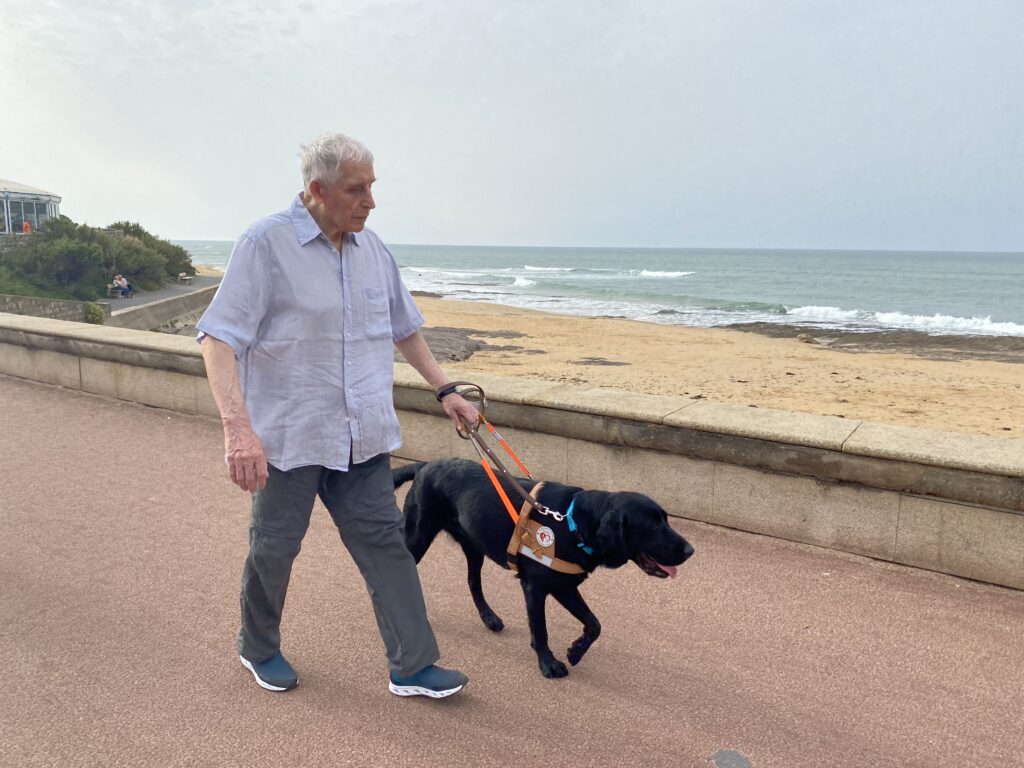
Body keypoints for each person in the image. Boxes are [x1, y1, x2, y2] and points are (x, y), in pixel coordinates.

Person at [196, 132, 479, 699]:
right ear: (317, 190)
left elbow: (404, 328)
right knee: (274, 549)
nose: (370, 201)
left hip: (363, 437)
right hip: (290, 437)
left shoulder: (372, 250)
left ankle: (413, 666)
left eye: (372, 187)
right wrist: (238, 429)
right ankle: (258, 647)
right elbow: (217, 337)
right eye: (357, 189)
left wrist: (446, 388)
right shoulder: (265, 244)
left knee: (386, 545)